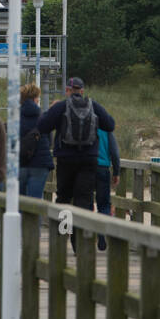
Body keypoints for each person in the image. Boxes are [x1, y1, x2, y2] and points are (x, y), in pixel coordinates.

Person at [38, 78, 117, 230]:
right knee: (84, 199)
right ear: (82, 91)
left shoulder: (61, 107)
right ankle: (80, 238)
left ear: (67, 90)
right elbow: (110, 125)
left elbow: (42, 126)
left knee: (64, 197)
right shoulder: (93, 106)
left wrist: (52, 112)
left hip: (65, 159)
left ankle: (63, 233)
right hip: (88, 160)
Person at [18, 84, 55, 200]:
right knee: (36, 201)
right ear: (35, 99)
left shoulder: (15, 117)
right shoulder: (43, 116)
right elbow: (50, 141)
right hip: (40, 164)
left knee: (20, 202)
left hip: (21, 162)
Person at [94, 123, 121, 250]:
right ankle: (101, 236)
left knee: (85, 203)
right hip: (103, 169)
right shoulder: (106, 128)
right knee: (104, 205)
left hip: (85, 168)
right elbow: (115, 153)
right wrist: (116, 172)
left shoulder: (83, 124)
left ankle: (83, 238)